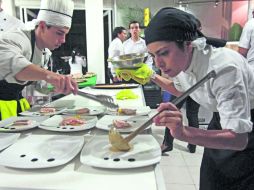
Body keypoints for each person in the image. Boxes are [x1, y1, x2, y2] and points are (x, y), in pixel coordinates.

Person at [144, 7, 254, 190]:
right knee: (210, 182)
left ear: (188, 45)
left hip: (247, 127)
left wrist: (184, 133)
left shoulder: (225, 68)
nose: (158, 64)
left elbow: (239, 139)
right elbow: (183, 89)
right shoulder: (182, 61)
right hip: (220, 120)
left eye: (163, 53)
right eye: (153, 55)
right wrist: (150, 76)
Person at [0, 0, 78, 120]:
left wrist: (59, 85)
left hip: (14, 106)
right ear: (42, 26)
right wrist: (49, 75)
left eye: (65, 34)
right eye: (59, 33)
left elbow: (38, 85)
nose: (63, 40)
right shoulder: (18, 38)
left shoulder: (45, 53)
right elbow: (9, 62)